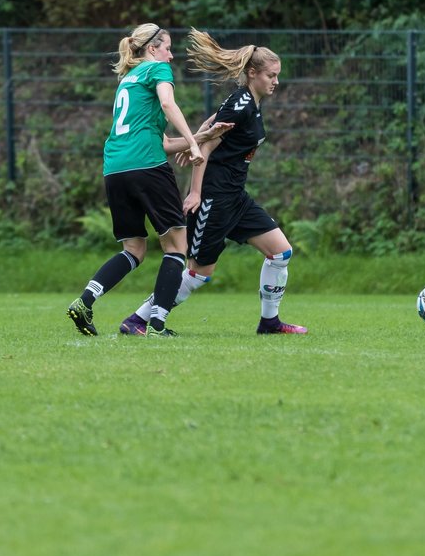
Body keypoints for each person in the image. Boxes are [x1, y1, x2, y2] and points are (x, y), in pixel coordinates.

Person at [119, 28, 307, 336]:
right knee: (198, 273)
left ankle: (269, 322)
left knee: (280, 252)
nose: (276, 81)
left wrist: (197, 135)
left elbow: (211, 126)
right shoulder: (242, 103)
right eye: (271, 76)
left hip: (236, 197)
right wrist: (195, 192)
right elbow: (207, 147)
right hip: (215, 198)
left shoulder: (250, 103)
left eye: (277, 76)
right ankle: (138, 319)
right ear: (252, 73)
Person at [66, 22, 212, 337]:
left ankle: (86, 300)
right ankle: (157, 323)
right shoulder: (156, 70)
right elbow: (167, 104)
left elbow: (161, 141)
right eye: (168, 48)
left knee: (134, 249)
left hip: (115, 167)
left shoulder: (127, 81)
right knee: (176, 246)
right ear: (152, 49)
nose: (171, 56)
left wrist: (200, 136)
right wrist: (195, 142)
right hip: (146, 166)